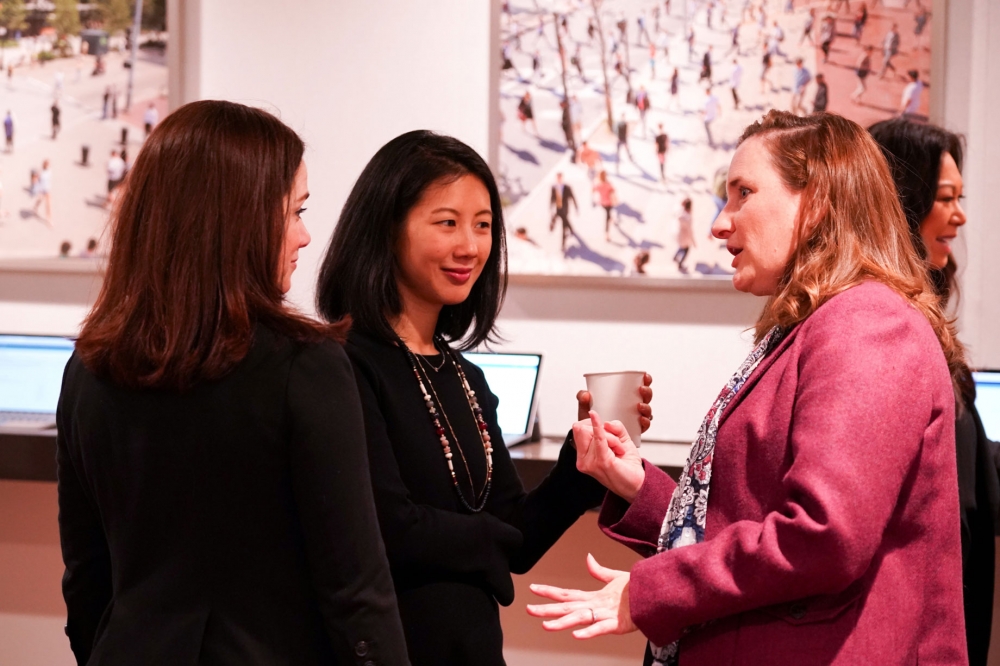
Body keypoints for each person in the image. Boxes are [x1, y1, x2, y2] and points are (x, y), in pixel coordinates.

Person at [526, 111, 969, 666]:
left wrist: (650, 591)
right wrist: (639, 486)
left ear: (819, 203)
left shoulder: (867, 324)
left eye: (743, 194)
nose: (720, 222)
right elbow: (748, 518)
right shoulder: (815, 324)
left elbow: (822, 537)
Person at [58, 100, 410, 666]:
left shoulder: (89, 366)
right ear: (238, 220)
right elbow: (355, 591)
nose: (305, 236)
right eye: (294, 212)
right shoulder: (307, 367)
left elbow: (86, 579)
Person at [314, 130, 653, 665]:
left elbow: (517, 541)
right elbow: (387, 528)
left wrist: (581, 461)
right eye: (446, 223)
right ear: (386, 228)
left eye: (484, 225)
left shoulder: (467, 377)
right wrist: (491, 542)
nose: (470, 247)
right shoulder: (341, 363)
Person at [869, 118, 1000, 666]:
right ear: (903, 202)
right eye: (945, 198)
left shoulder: (922, 324)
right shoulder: (882, 328)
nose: (960, 215)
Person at [550, 171, 578, 252]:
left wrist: (576, 206)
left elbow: (572, 197)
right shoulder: (554, 187)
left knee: (563, 227)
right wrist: (551, 208)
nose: (559, 179)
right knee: (565, 222)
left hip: (565, 210)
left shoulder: (567, 187)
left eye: (560, 177)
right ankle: (571, 229)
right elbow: (552, 198)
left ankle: (563, 244)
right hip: (558, 209)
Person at [593, 170, 618, 241]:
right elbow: (613, 190)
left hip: (602, 203)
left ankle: (611, 219)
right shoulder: (608, 184)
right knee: (607, 216)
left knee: (608, 213)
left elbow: (593, 190)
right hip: (609, 202)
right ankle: (607, 233)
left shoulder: (598, 185)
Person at [673, 198, 695, 272]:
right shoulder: (687, 217)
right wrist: (693, 241)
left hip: (678, 232)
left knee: (681, 246)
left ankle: (675, 257)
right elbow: (689, 230)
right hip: (684, 235)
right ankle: (680, 263)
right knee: (686, 249)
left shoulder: (680, 211)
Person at [32, 159, 52, 225]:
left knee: (48, 204)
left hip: (47, 189)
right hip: (41, 189)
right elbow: (36, 180)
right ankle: (35, 207)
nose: (48, 166)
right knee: (40, 200)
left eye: (48, 164)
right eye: (47, 164)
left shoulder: (49, 171)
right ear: (44, 165)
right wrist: (37, 188)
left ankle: (48, 219)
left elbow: (48, 180)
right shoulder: (41, 171)